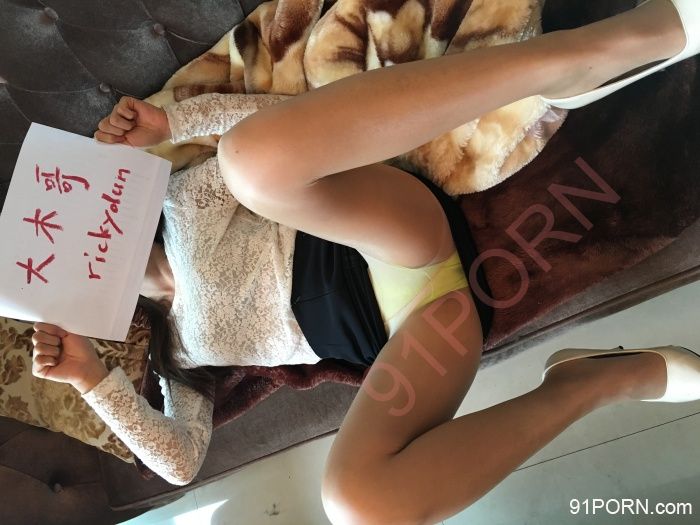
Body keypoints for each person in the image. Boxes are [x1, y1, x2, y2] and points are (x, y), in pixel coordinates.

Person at [30, 1, 700, 522]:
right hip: (415, 332)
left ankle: (572, 61)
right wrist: (92, 380)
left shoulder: (179, 203)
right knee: (357, 505)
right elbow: (180, 462)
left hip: (381, 232)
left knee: (247, 161)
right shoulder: (177, 355)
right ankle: (590, 383)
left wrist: (174, 126)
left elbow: (288, 126)